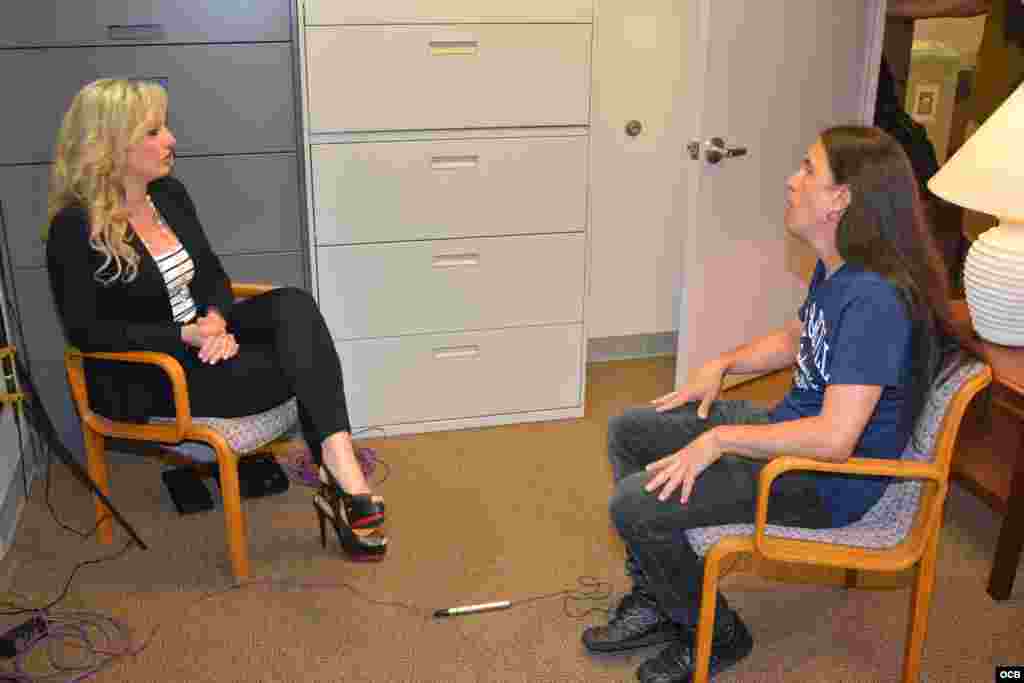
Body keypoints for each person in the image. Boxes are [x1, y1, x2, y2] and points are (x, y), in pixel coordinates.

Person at [581, 126, 958, 683]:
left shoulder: (875, 298)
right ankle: (662, 597)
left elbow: (834, 439)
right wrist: (724, 365)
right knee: (629, 431)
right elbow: (794, 339)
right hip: (791, 432)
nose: (791, 180)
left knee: (634, 506)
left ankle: (716, 633)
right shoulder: (842, 269)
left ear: (841, 200)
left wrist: (721, 439)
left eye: (808, 169)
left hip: (824, 479)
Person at [45, 78, 386, 561]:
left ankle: (340, 465)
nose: (171, 141)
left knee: (292, 304)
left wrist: (217, 320)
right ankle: (344, 481)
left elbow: (212, 278)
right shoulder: (74, 228)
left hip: (204, 339)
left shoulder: (169, 195)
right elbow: (88, 331)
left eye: (165, 128)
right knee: (296, 365)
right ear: (111, 145)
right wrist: (185, 335)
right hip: (145, 370)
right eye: (153, 132)